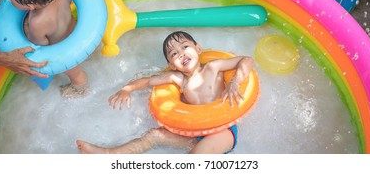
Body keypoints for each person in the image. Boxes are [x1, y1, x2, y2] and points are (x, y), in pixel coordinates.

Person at [77, 31, 254, 154]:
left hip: (223, 130)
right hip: (197, 133)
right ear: (171, 65)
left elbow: (246, 60)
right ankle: (108, 154)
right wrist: (127, 89)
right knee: (154, 136)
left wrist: (234, 82)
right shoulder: (178, 80)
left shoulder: (213, 68)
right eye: (174, 54)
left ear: (198, 49)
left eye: (185, 47)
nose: (181, 54)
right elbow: (148, 81)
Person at [0, 0, 89, 98]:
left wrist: (27, 29)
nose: (9, 1)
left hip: (65, 52)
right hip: (75, 33)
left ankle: (81, 90)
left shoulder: (37, 22)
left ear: (29, 5)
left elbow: (40, 45)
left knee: (76, 74)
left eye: (11, 0)